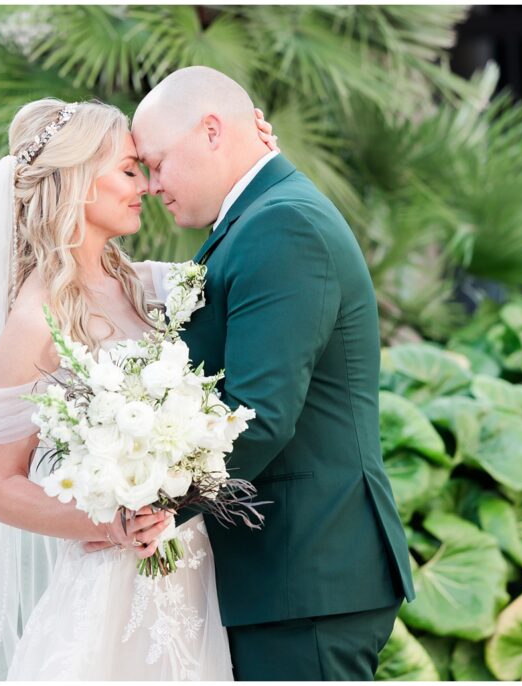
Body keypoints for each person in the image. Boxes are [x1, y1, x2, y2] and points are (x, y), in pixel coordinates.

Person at [0, 97, 275, 680]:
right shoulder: (35, 323)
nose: (146, 184)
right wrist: (109, 524)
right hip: (112, 593)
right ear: (78, 182)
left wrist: (253, 157)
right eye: (129, 169)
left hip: (197, 574)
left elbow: (250, 265)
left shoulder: (149, 285)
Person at [113, 66, 418, 681]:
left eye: (156, 162)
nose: (151, 185)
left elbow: (257, 413)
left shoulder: (282, 226)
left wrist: (155, 500)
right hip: (288, 575)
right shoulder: (257, 217)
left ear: (211, 131)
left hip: (304, 575)